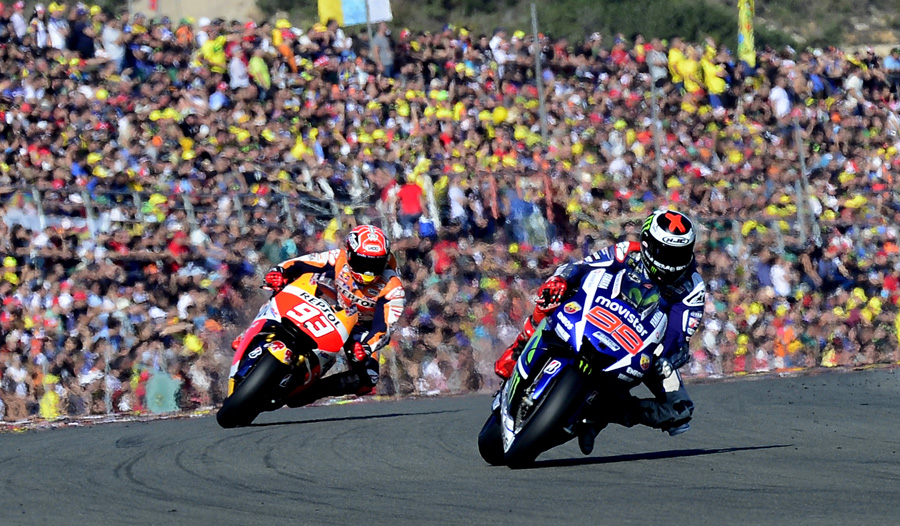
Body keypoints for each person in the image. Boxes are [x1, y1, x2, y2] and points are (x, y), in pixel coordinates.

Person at [493, 210, 706, 454]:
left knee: (679, 411)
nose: (673, 260)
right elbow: (583, 267)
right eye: (666, 252)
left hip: (642, 345)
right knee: (554, 293)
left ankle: (600, 415)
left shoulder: (692, 287)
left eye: (680, 253)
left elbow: (678, 336)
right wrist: (563, 279)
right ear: (648, 244)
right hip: (597, 315)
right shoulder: (628, 252)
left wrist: (667, 356)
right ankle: (520, 347)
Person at [237, 225, 405, 404]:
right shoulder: (337, 258)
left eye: (375, 264)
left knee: (368, 380)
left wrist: (366, 347)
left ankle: (309, 392)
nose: (368, 271)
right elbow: (299, 263)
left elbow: (384, 327)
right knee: (283, 286)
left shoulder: (393, 286)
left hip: (360, 328)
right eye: (362, 262)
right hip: (331, 304)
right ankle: (253, 330)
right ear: (349, 253)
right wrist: (279, 272)